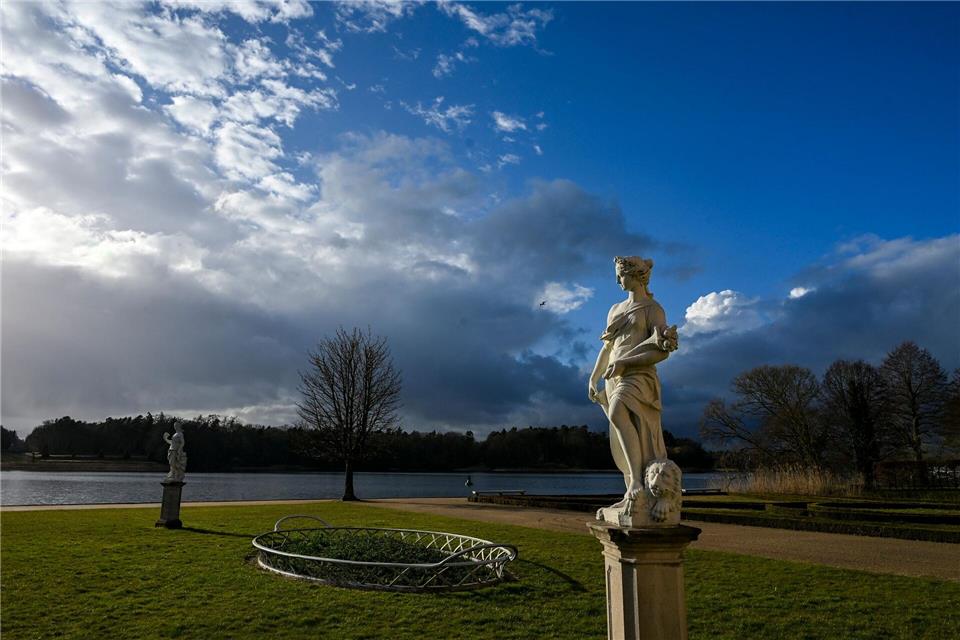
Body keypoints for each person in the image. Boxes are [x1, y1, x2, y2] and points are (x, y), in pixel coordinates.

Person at [588, 256, 677, 512]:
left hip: (638, 375)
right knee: (621, 432)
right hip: (613, 377)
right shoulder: (615, 309)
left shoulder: (653, 309)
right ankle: (632, 490)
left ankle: (638, 483)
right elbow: (607, 349)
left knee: (618, 412)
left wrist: (627, 362)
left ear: (637, 275)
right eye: (616, 276)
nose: (618, 280)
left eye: (621, 275)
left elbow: (661, 351)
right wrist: (594, 377)